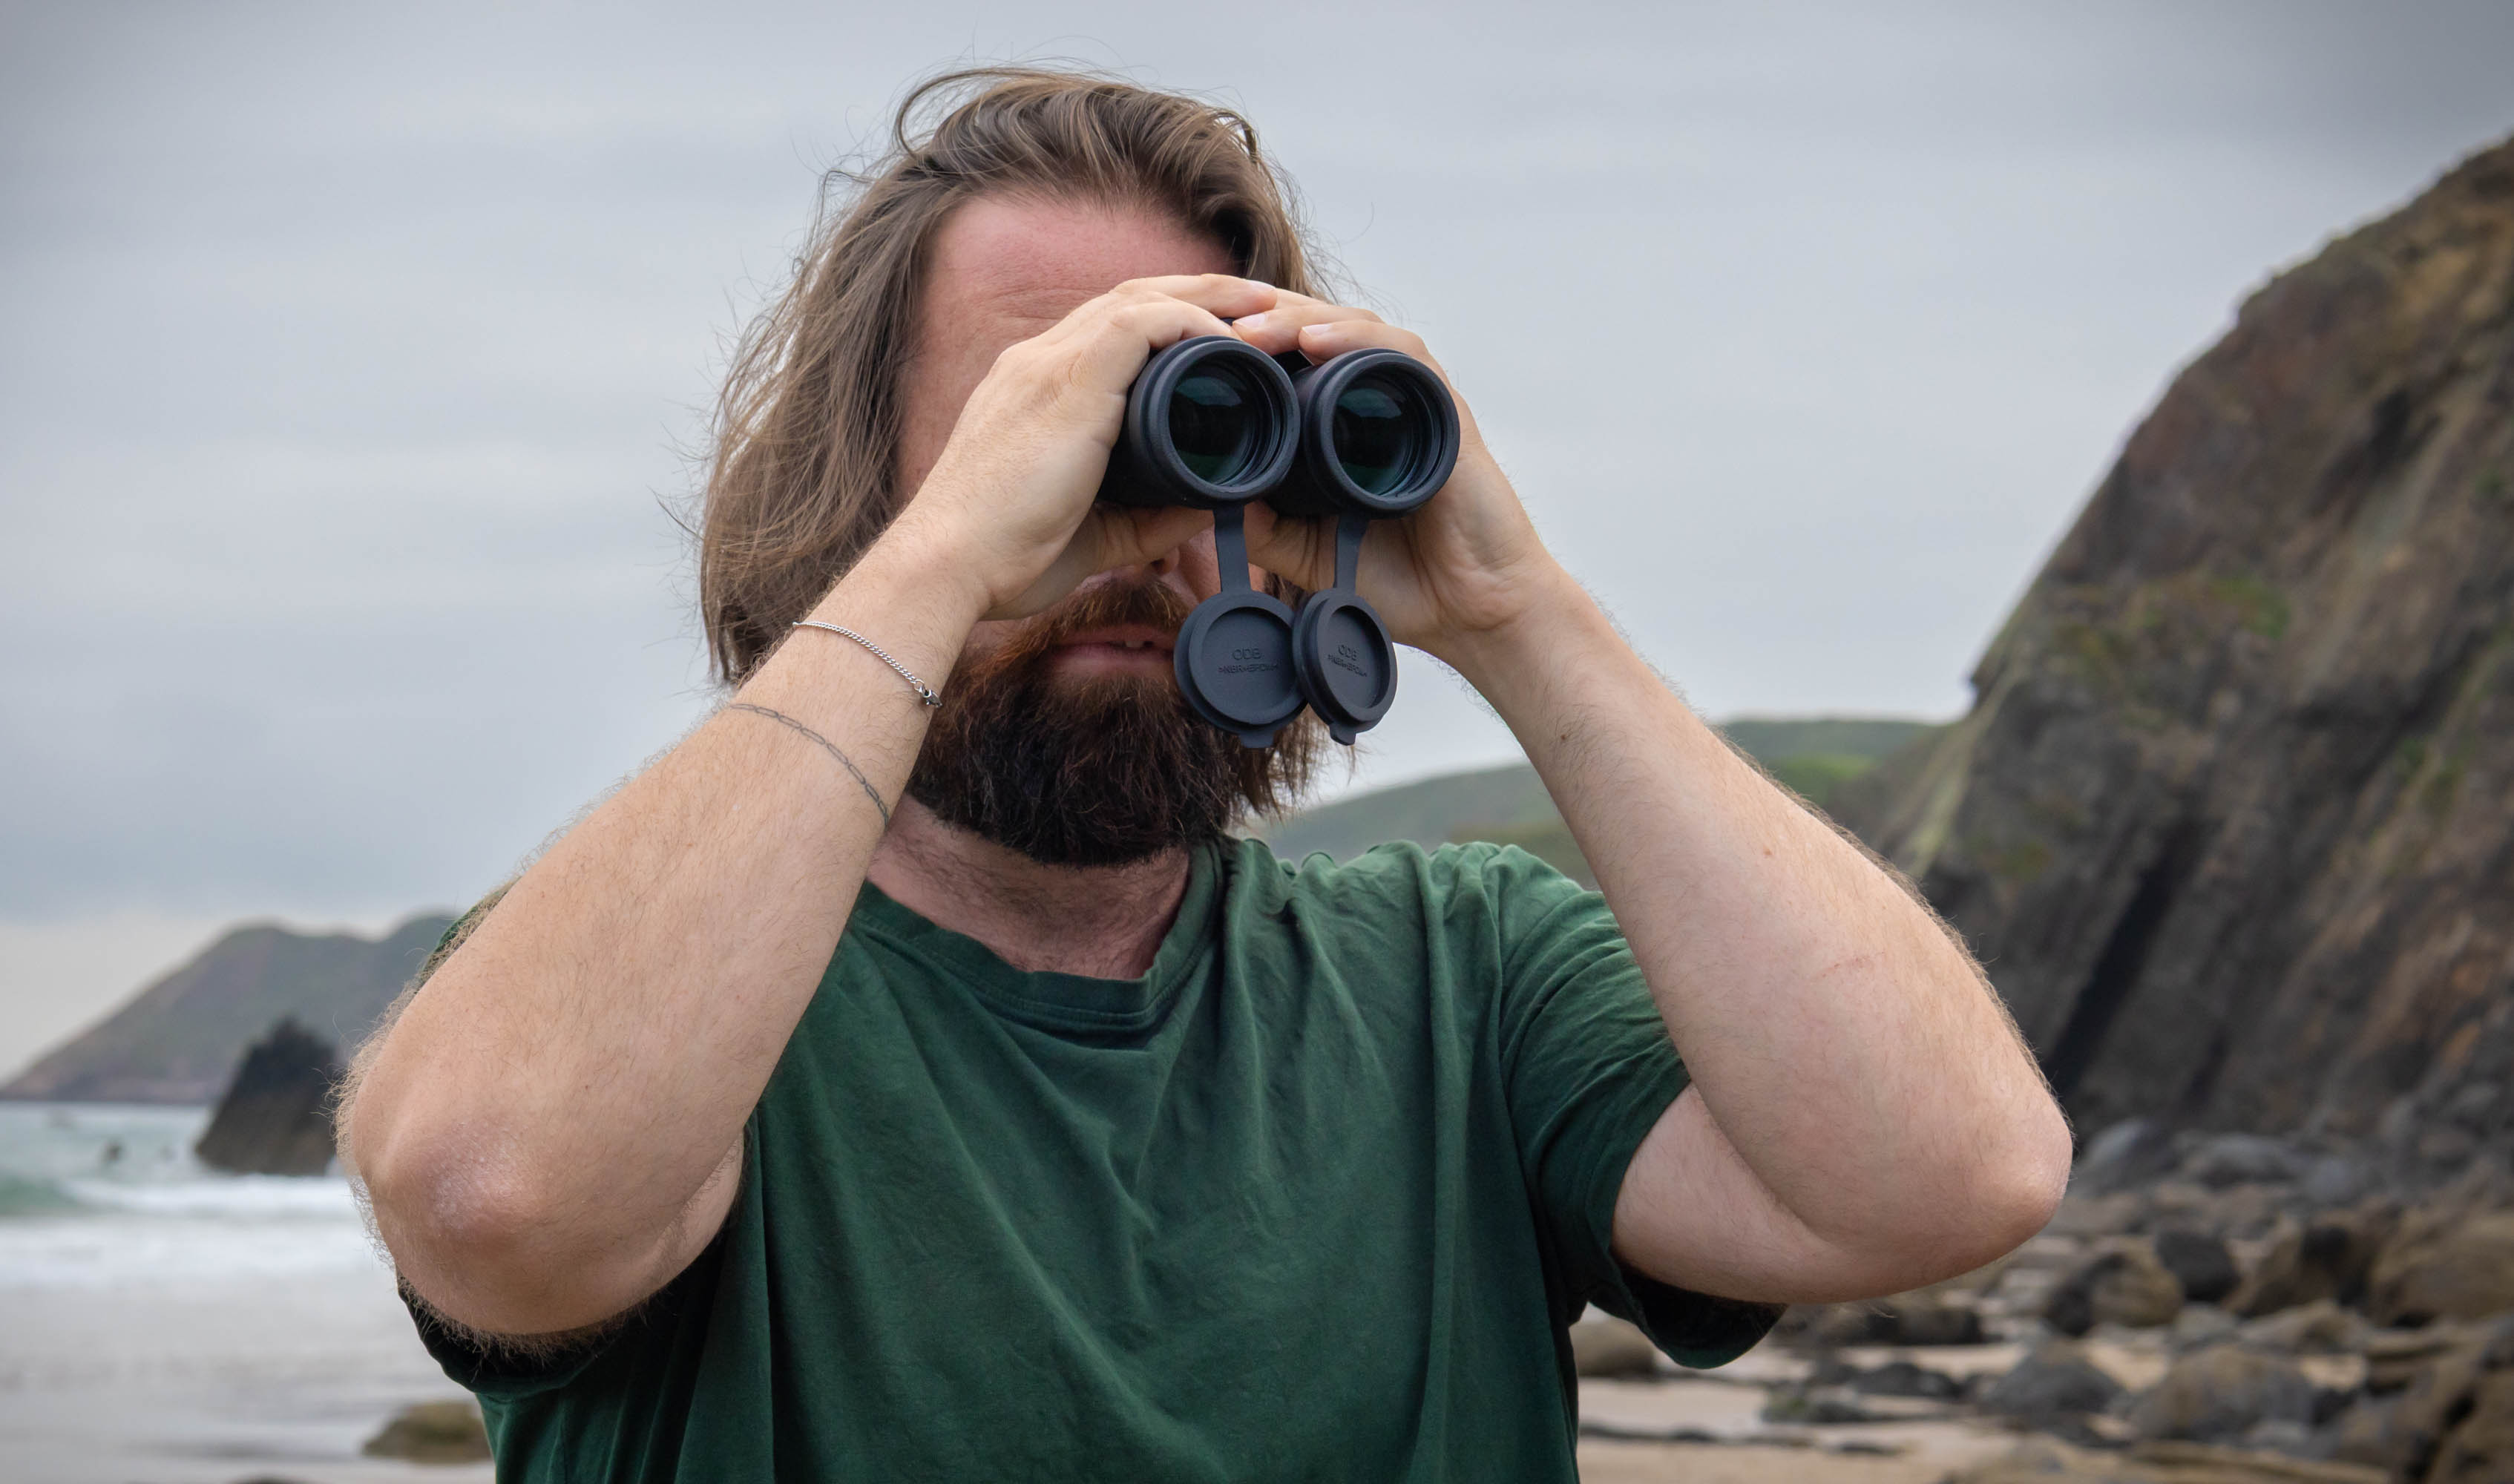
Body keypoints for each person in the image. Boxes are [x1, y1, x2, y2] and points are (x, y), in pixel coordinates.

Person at [338, 67, 2070, 1483]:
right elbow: (499, 1195)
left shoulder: (1459, 984)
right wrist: (945, 562)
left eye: (1195, 430)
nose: (1140, 531)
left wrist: (1513, 610)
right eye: (1054, 426)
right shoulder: (678, 1006)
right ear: (870, 492)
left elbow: (1947, 1178)